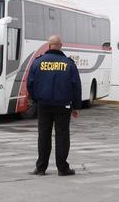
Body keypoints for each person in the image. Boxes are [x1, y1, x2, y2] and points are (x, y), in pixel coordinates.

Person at [28, 35, 82, 177]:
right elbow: (76, 86)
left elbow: (30, 83)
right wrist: (76, 106)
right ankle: (62, 168)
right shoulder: (68, 64)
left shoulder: (38, 62)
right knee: (62, 136)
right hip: (62, 105)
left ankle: (40, 168)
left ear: (48, 45)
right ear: (61, 45)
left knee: (43, 136)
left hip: (43, 105)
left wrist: (35, 100)